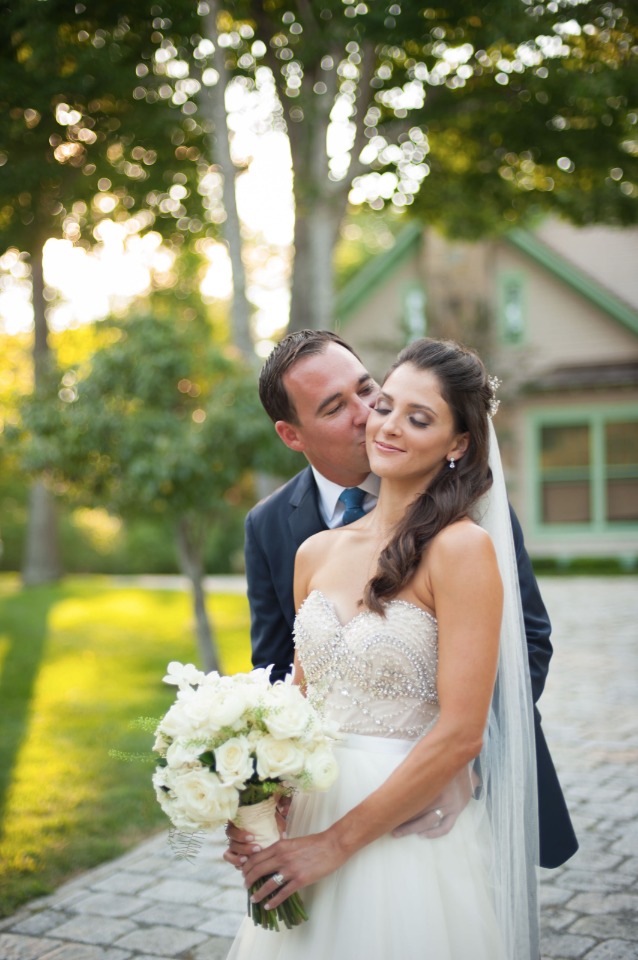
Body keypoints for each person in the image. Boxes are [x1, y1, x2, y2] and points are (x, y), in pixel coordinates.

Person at [226, 338, 539, 960]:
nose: (381, 422)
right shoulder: (312, 551)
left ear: (459, 444)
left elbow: (467, 721)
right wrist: (261, 797)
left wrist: (455, 774)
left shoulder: (463, 545)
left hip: (404, 822)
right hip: (315, 807)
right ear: (293, 433)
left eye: (416, 417)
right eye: (385, 405)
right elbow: (299, 697)